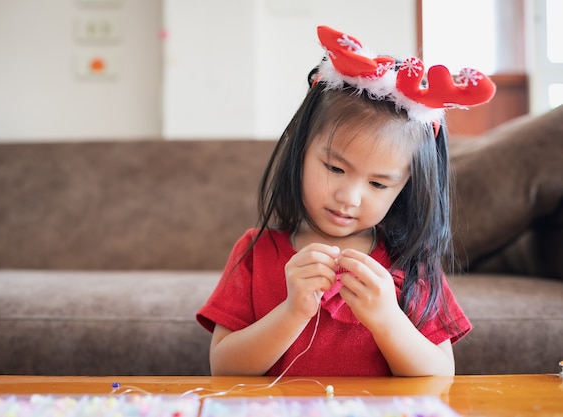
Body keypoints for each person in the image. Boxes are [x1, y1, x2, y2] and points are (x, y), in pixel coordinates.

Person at [196, 26, 496, 377]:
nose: (349, 197)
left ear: (406, 189)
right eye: (335, 168)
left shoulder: (413, 264)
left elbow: (440, 375)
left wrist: (387, 319)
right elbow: (224, 369)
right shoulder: (256, 252)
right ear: (300, 149)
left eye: (378, 183)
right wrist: (293, 311)